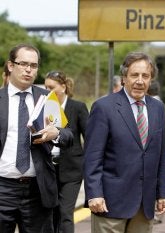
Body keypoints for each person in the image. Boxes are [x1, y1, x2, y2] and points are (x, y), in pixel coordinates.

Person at [84, 51, 165, 233]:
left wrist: (163, 192)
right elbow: (93, 156)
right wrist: (94, 194)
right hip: (109, 203)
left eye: (145, 76)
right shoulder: (104, 107)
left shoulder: (158, 109)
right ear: (124, 78)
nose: (140, 81)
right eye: (134, 75)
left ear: (151, 79)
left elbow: (161, 154)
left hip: (144, 205)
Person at [0, 44, 73, 233]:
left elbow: (68, 134)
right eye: (23, 63)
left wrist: (56, 133)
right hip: (3, 188)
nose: (28, 69)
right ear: (10, 66)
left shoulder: (47, 98)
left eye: (33, 65)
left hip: (37, 191)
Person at [43, 71, 89, 233]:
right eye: (46, 87)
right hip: (48, 169)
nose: (47, 91)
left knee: (65, 213)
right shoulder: (43, 107)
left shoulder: (78, 107)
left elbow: (89, 137)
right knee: (51, 213)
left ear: (63, 87)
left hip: (72, 171)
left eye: (51, 87)